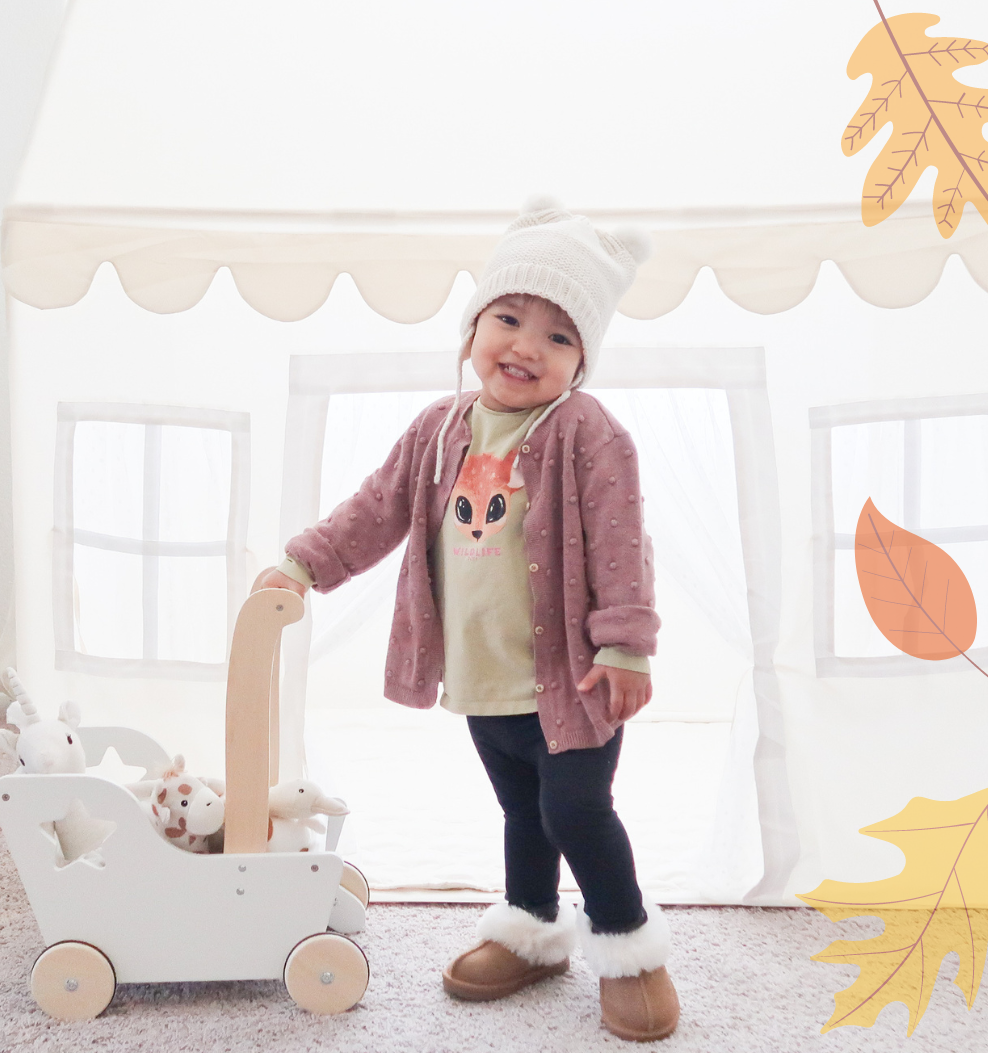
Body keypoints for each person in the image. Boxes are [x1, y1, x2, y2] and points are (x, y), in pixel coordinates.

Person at [259, 198, 680, 1041]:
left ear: (582, 362)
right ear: (473, 326)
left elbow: (622, 541)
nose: (527, 346)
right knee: (523, 811)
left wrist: (627, 646)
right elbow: (376, 509)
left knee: (577, 811)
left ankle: (630, 948)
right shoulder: (438, 428)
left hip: (573, 681)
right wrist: (304, 563)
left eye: (559, 336)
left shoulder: (586, 431)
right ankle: (529, 930)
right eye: (509, 319)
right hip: (484, 675)